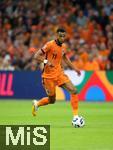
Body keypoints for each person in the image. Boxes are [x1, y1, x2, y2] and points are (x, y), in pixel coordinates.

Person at [32, 28, 82, 123]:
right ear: (56, 36)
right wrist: (47, 61)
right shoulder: (50, 44)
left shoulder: (64, 46)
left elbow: (66, 59)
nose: (62, 38)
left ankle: (75, 117)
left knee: (74, 91)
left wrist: (75, 69)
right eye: (60, 36)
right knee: (52, 100)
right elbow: (36, 56)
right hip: (48, 77)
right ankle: (37, 104)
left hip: (59, 74)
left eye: (64, 36)